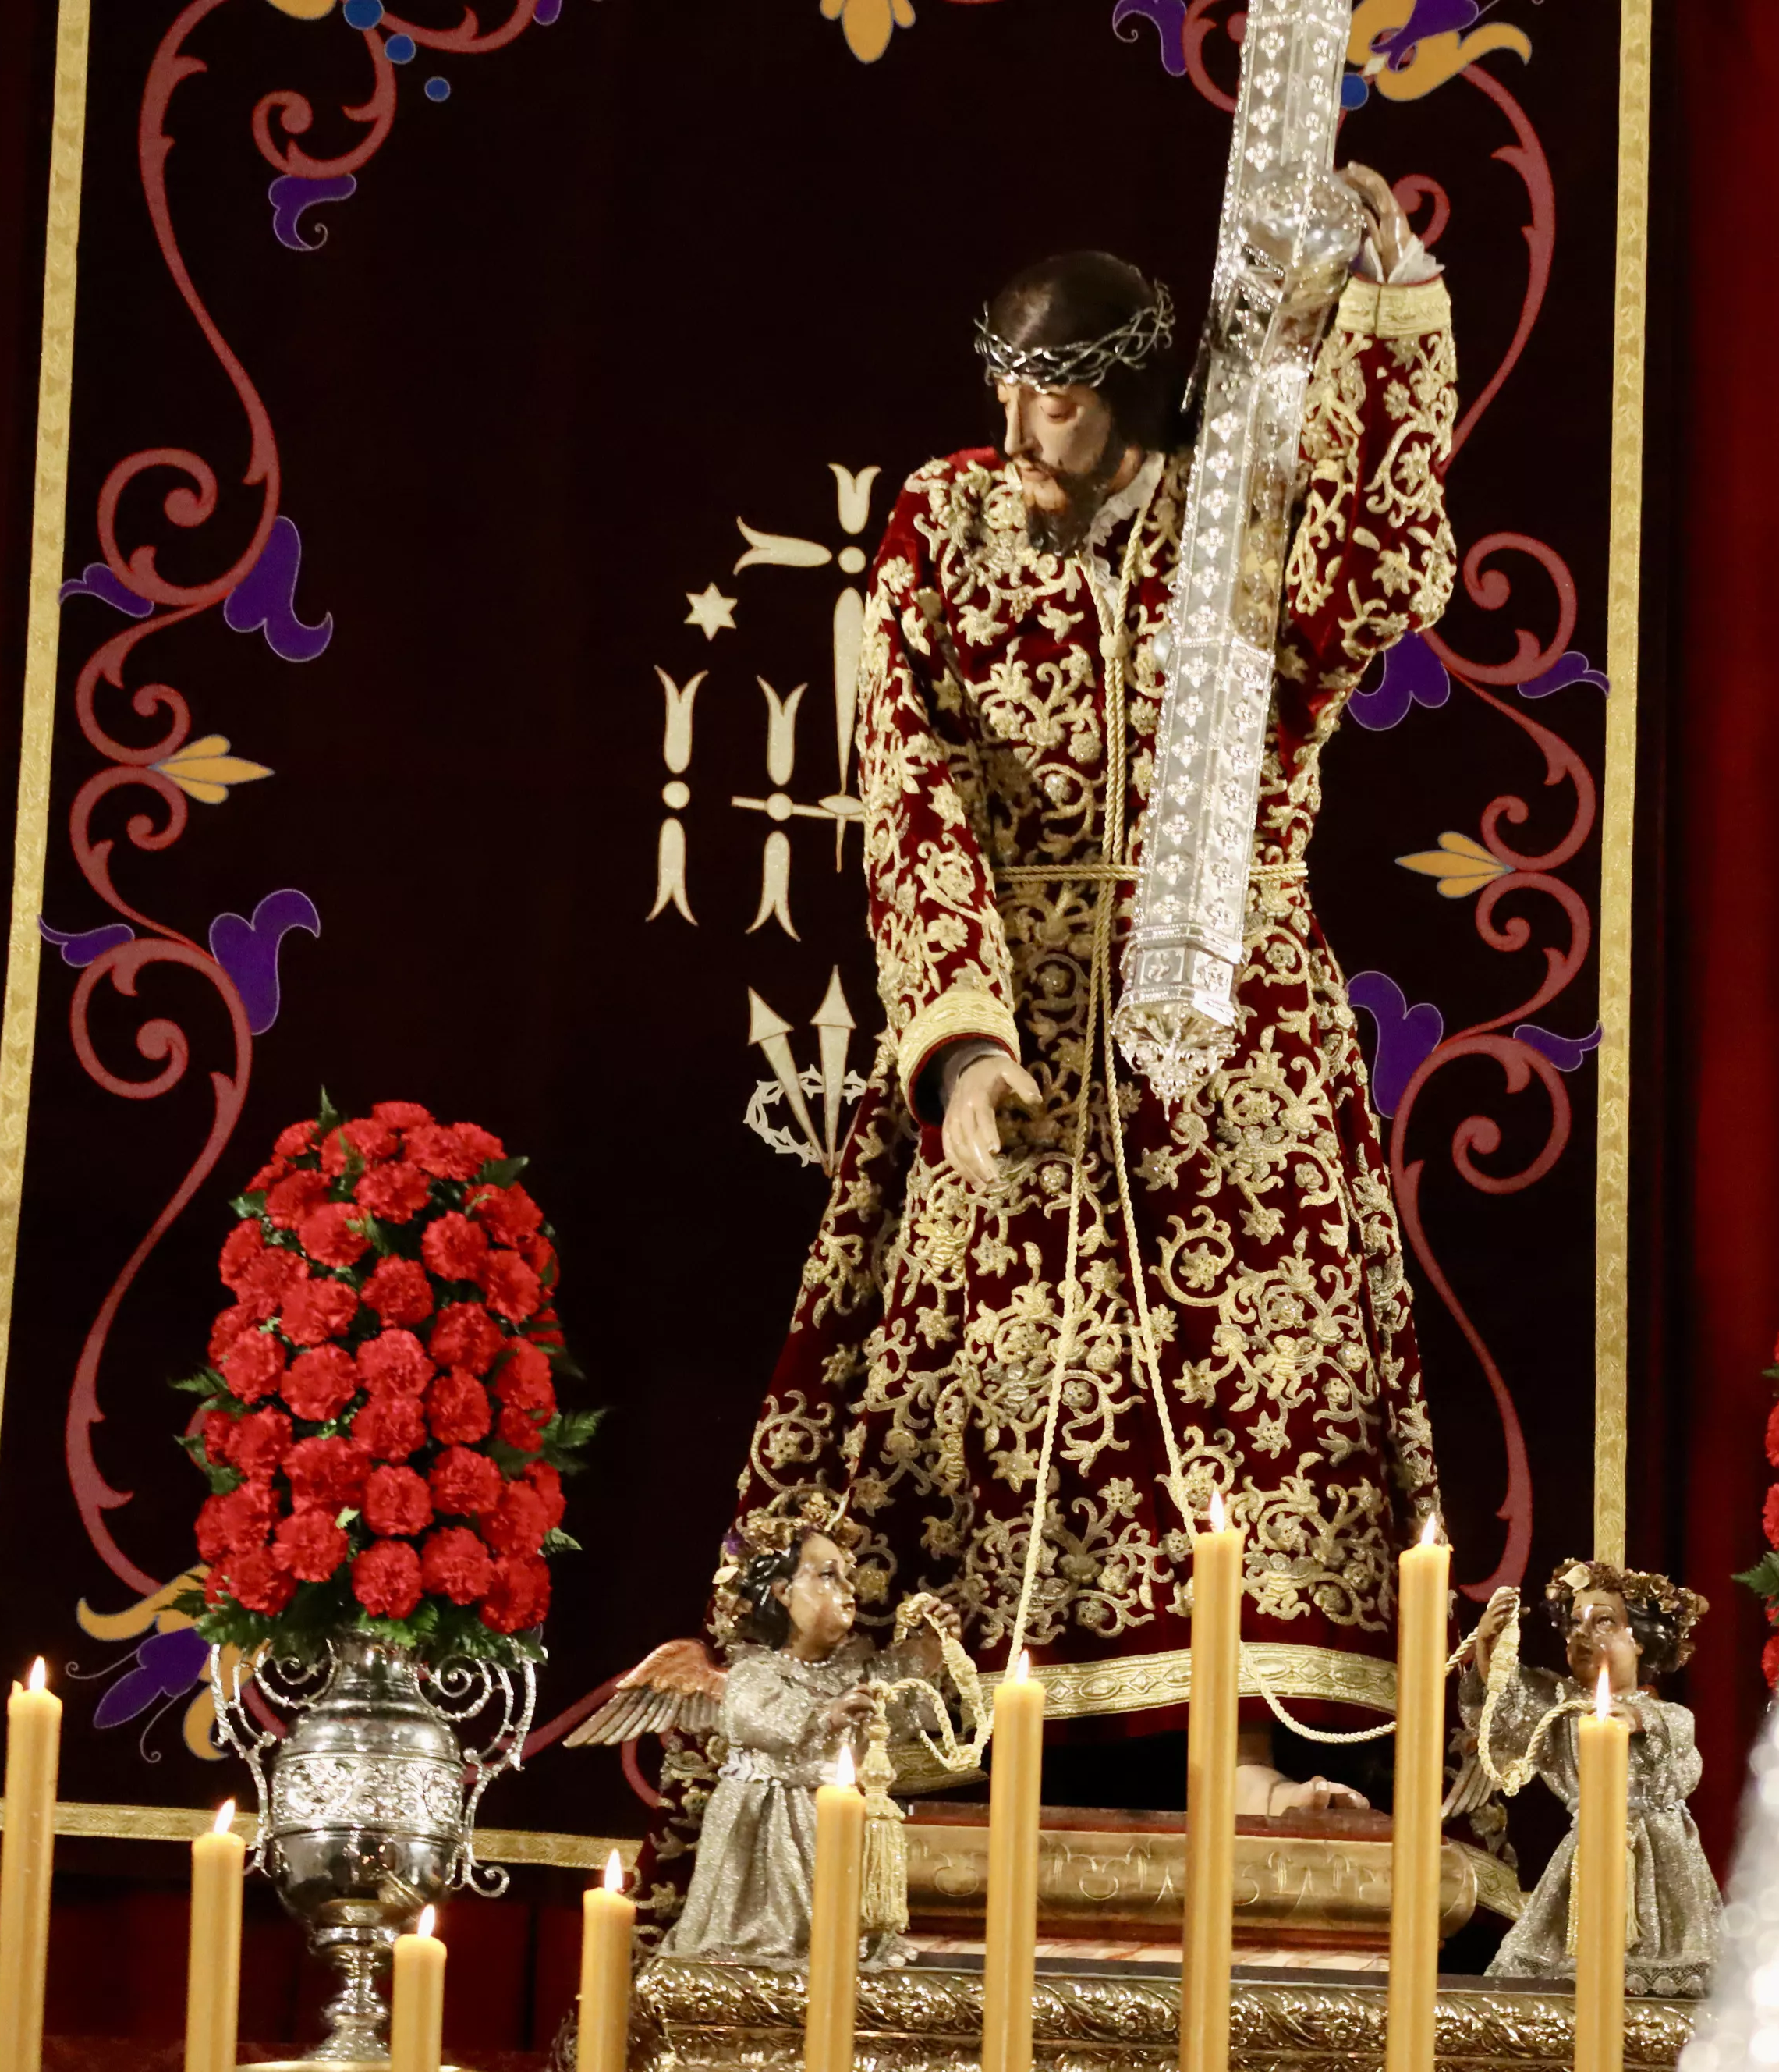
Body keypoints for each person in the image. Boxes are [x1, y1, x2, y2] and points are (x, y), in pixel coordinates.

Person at [720, 164, 1454, 1820]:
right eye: (1005, 386)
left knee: (1255, 1373)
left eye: (1051, 400)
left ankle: (1248, 1745)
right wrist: (962, 1042)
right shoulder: (944, 522)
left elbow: (1387, 568)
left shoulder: (1241, 521)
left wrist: (1390, 306)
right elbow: (910, 788)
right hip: (1017, 1005)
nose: (1017, 423)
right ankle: (934, 1743)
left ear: (1123, 397)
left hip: (1231, 1002)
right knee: (984, 1365)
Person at [647, 1515, 950, 1967]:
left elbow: (903, 1704)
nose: (849, 1588)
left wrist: (931, 1648)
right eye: (828, 1575)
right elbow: (753, 1718)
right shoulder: (755, 1670)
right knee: (754, 1939)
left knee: (837, 1934)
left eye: (848, 1576)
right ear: (782, 1593)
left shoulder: (857, 1668)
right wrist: (823, 1716)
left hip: (831, 1823)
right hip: (763, 1819)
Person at [1463, 1559, 1721, 1996]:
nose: (1583, 1634)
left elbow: (1680, 1751)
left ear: (1639, 1639)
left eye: (1603, 1622)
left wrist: (1639, 1719)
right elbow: (1510, 1706)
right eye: (1575, 1624)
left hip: (1663, 1854)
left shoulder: (1667, 1716)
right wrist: (1489, 1648)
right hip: (1589, 1850)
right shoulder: (1563, 1709)